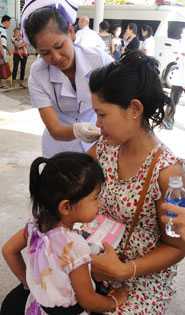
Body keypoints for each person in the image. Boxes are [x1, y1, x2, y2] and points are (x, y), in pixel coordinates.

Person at [87, 50, 185, 314]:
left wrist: (124, 269)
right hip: (96, 261)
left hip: (141, 278)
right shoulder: (103, 148)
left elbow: (177, 245)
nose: (96, 124)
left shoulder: (168, 173)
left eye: (102, 114)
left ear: (134, 108)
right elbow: (74, 188)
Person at [2, 152, 127, 315]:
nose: (100, 203)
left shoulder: (34, 225)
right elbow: (88, 300)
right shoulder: (74, 246)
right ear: (66, 207)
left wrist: (28, 284)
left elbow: (8, 250)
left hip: (37, 307)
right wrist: (114, 301)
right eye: (95, 198)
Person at [21, 0, 113, 158]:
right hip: (59, 148)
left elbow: (119, 102)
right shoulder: (38, 73)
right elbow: (55, 129)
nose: (56, 57)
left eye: (59, 46)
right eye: (45, 53)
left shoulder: (99, 60)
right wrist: (77, 130)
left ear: (71, 32)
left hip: (99, 143)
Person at [163, 27, 185, 130]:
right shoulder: (181, 46)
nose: (181, 35)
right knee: (173, 100)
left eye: (183, 33)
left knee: (173, 100)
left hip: (180, 80)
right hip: (179, 80)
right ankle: (168, 120)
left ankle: (168, 120)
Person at [0, 15, 11, 88]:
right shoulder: (0, 29)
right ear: (6, 21)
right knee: (2, 66)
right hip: (0, 51)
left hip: (2, 50)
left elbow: (3, 42)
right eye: (9, 22)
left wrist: (7, 50)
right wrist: (1, 51)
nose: (10, 24)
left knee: (1, 67)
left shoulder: (3, 29)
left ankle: (1, 84)